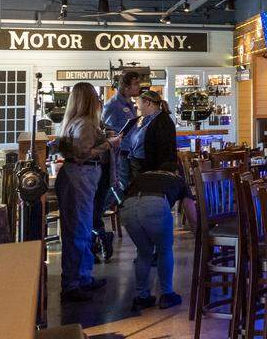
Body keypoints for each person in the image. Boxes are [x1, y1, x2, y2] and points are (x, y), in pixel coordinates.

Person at [55, 82, 121, 301]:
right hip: (81, 176)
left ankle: (83, 277)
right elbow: (83, 154)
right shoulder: (84, 123)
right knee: (79, 230)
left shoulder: (72, 122)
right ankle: (73, 284)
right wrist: (109, 144)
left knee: (79, 228)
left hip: (77, 176)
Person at [119, 167, 196, 311]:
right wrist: (200, 235)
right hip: (155, 204)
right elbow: (191, 214)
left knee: (143, 252)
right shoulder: (179, 180)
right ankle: (167, 295)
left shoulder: (144, 174)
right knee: (165, 249)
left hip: (128, 207)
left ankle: (142, 297)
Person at [92, 70, 142, 263]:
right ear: (126, 85)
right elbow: (106, 132)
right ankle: (98, 235)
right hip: (117, 158)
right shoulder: (113, 106)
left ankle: (97, 236)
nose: (139, 87)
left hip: (128, 156)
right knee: (115, 195)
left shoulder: (129, 104)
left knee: (121, 197)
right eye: (136, 83)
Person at [122, 90, 179, 176]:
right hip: (142, 168)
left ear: (148, 103)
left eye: (139, 104)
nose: (138, 107)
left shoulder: (162, 121)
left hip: (153, 172)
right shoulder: (148, 120)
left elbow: (164, 151)